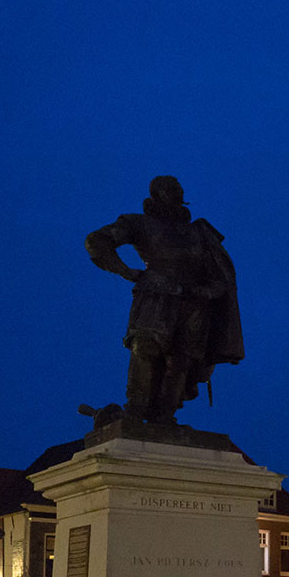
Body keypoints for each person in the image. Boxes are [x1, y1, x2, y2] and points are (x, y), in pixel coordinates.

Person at [85, 176, 243, 424]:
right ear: (157, 194)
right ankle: (135, 412)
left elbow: (221, 275)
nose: (178, 192)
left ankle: (165, 417)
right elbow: (96, 241)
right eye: (171, 189)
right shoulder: (140, 223)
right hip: (156, 296)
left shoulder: (199, 233)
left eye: (180, 188)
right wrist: (125, 270)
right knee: (145, 348)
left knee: (181, 360)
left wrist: (210, 291)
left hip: (193, 304)